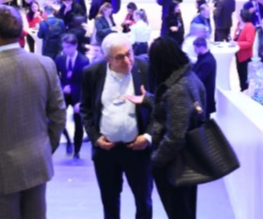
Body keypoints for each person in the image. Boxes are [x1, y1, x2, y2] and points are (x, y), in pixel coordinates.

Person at [0, 5, 67, 219]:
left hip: (0, 174)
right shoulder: (45, 65)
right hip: (38, 164)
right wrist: (46, 148)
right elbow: (59, 115)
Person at [126, 36, 206, 219]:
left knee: (179, 211)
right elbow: (175, 109)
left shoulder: (177, 89)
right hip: (188, 160)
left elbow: (175, 136)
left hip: (175, 164)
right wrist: (148, 99)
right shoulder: (189, 78)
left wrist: (155, 161)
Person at [79, 33, 153, 219]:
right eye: (120, 57)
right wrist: (95, 138)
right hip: (106, 151)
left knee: (144, 201)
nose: (127, 61)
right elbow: (86, 109)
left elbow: (160, 107)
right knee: (110, 201)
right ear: (108, 59)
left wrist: (148, 137)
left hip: (138, 150)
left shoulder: (145, 68)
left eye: (129, 54)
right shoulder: (92, 73)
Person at [55, 33, 88, 159]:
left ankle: (77, 151)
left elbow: (84, 82)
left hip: (77, 96)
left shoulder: (83, 61)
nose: (65, 50)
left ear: (75, 46)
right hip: (63, 94)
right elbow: (55, 76)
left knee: (78, 123)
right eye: (64, 47)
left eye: (68, 47)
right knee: (58, 119)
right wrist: (62, 87)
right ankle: (68, 141)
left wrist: (79, 98)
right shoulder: (60, 58)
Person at [192, 37, 217, 115]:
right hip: (200, 95)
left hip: (204, 97)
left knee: (201, 114)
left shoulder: (207, 62)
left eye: (195, 48)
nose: (194, 51)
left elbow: (199, 79)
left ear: (201, 48)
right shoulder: (203, 56)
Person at [234, 9, 256, 91]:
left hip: (246, 56)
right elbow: (236, 37)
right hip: (238, 54)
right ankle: (242, 89)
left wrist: (237, 44)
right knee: (240, 74)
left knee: (245, 76)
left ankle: (246, 90)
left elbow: (249, 43)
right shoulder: (238, 24)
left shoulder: (249, 27)